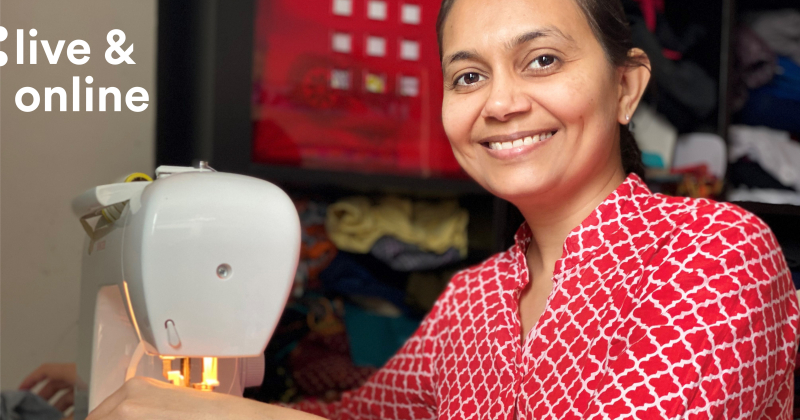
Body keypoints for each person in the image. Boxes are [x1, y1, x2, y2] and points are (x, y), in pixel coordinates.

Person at [21, 0, 799, 418]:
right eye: (467, 77)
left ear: (626, 86)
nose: (500, 102)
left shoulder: (717, 250)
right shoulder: (473, 302)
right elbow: (353, 415)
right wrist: (141, 380)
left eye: (542, 60)